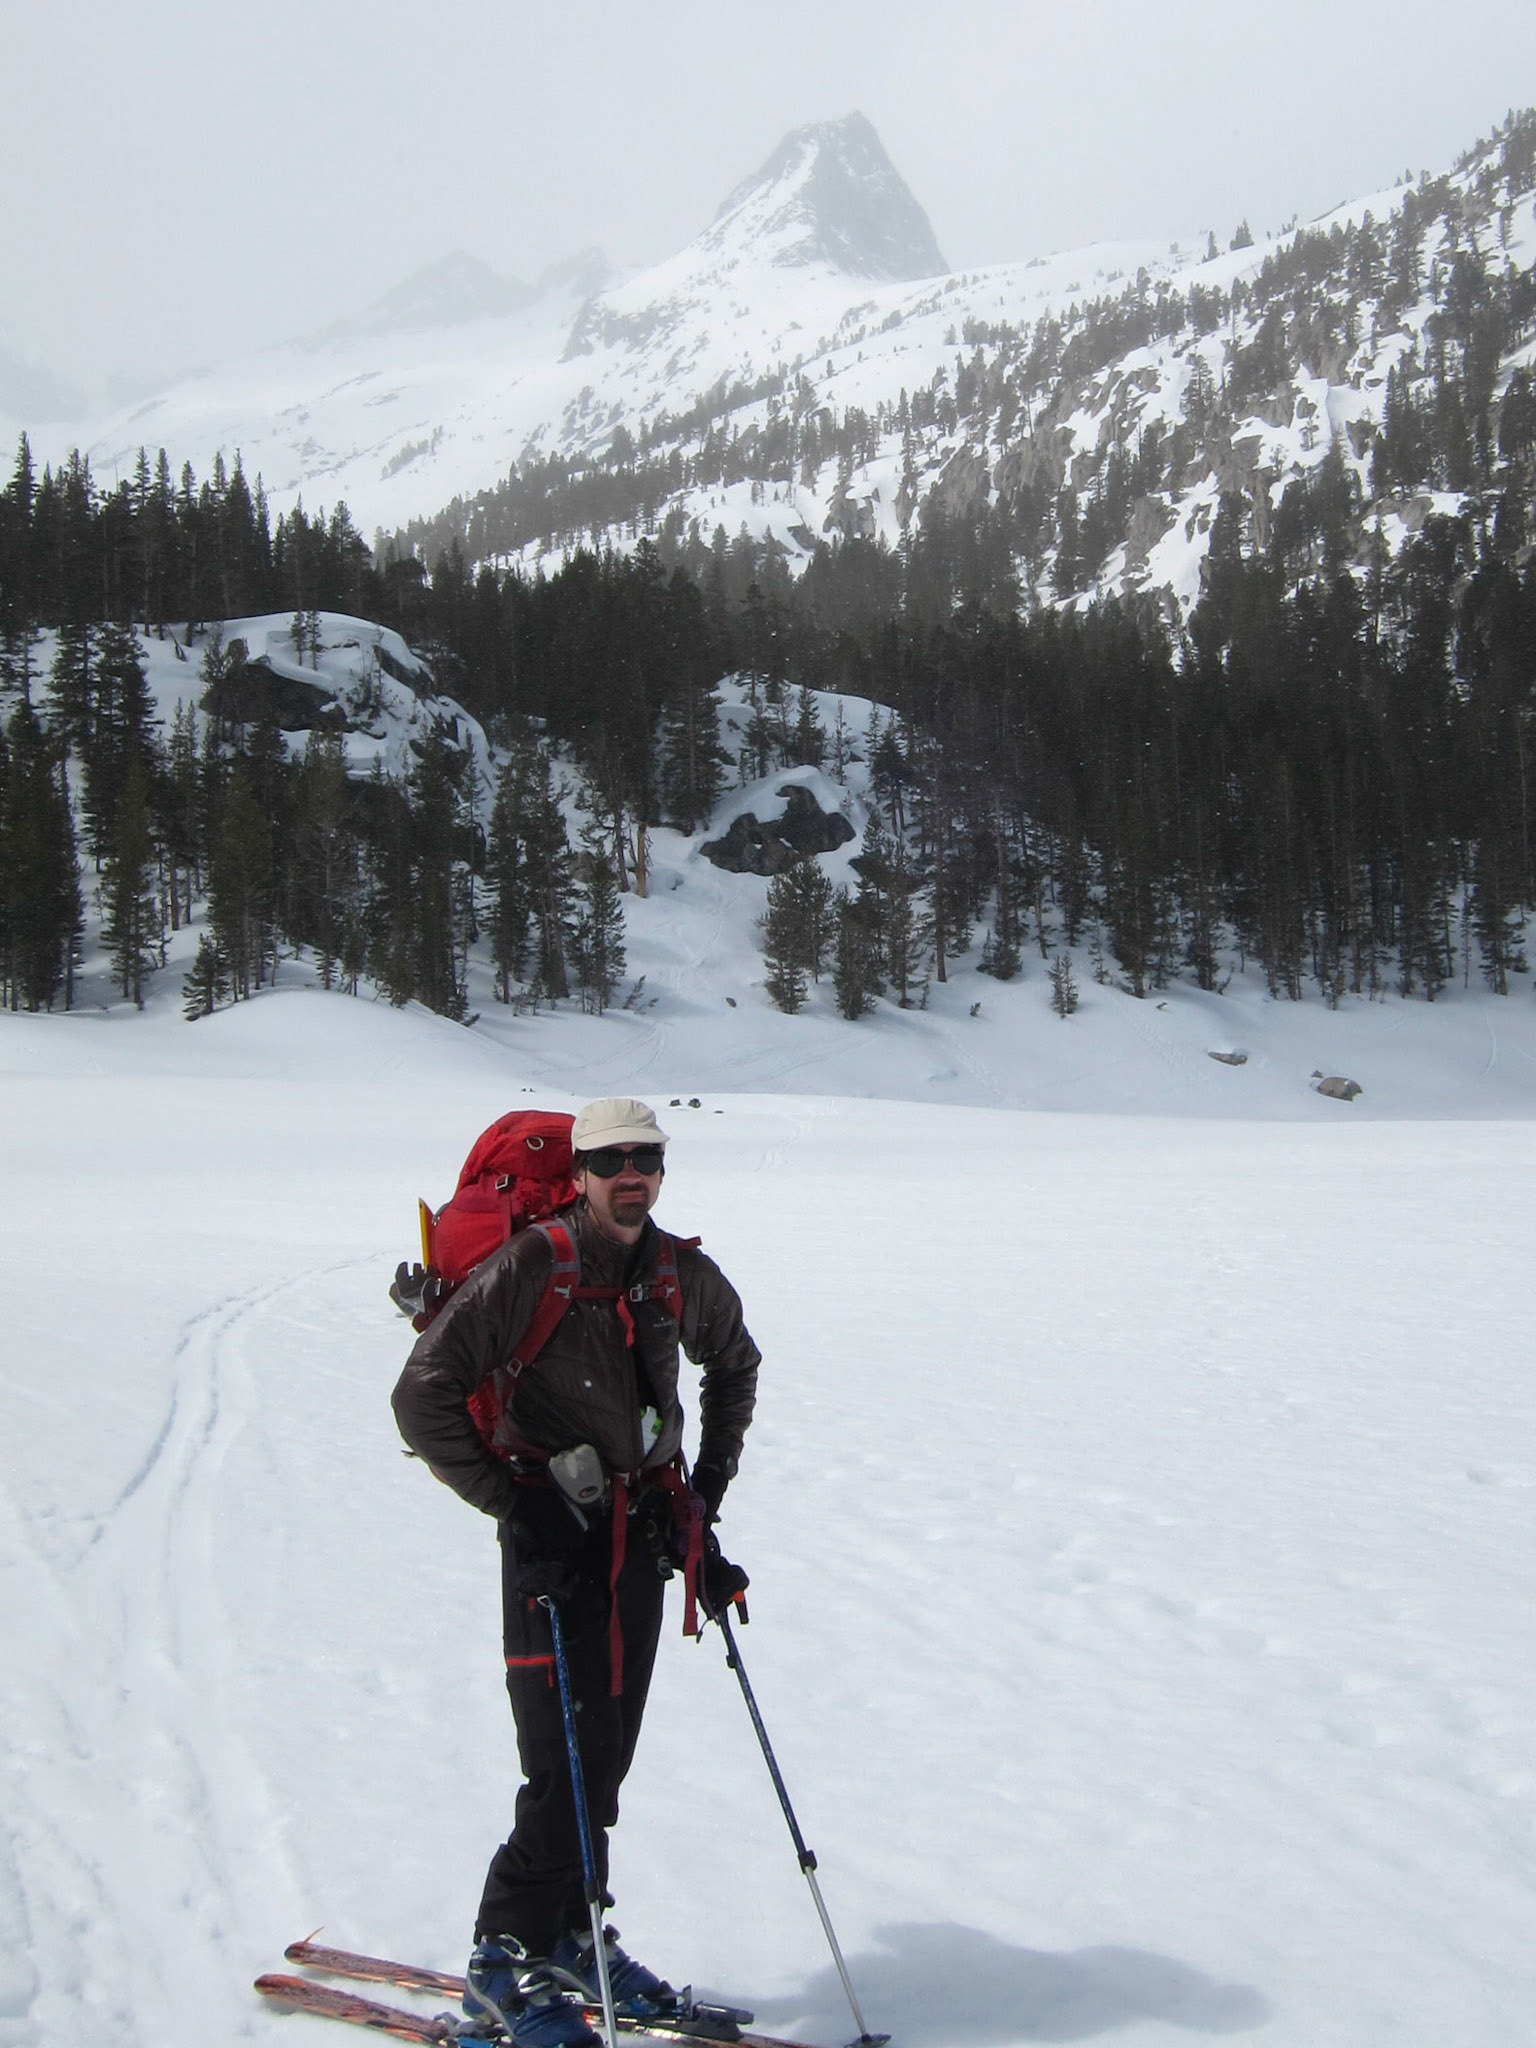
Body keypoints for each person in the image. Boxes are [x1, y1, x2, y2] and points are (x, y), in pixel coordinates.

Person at [392, 1097, 759, 2047]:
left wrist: (703, 1501)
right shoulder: (534, 1262)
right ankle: (500, 1965)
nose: (631, 1173)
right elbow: (423, 1392)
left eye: (648, 1157)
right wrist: (516, 1505)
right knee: (561, 1761)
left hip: (639, 1532)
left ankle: (570, 1936)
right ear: (584, 1171)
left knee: (605, 1755)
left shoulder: (676, 1270)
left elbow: (736, 1361)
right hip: (551, 1538)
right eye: (611, 1159)